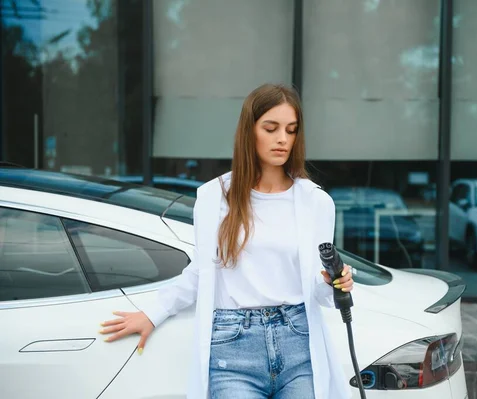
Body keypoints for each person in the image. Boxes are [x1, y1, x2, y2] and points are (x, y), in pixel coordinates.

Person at [99, 83, 354, 399]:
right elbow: (200, 273)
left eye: (291, 130)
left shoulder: (316, 201)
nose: (282, 139)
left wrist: (336, 281)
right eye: (271, 128)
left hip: (298, 343)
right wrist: (153, 313)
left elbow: (320, 292)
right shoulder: (214, 197)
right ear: (249, 130)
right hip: (233, 349)